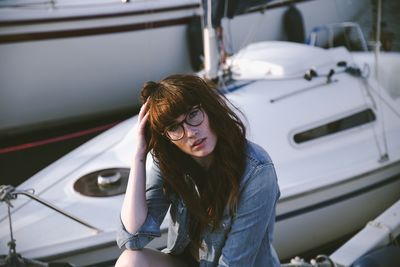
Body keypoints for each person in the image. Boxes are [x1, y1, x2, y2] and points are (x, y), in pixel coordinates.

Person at [115, 74, 281, 267]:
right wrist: (139, 156)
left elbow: (234, 263)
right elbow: (133, 238)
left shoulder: (257, 171)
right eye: (175, 127)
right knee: (131, 261)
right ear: (167, 137)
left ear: (209, 108)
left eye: (193, 114)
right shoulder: (171, 162)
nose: (191, 133)